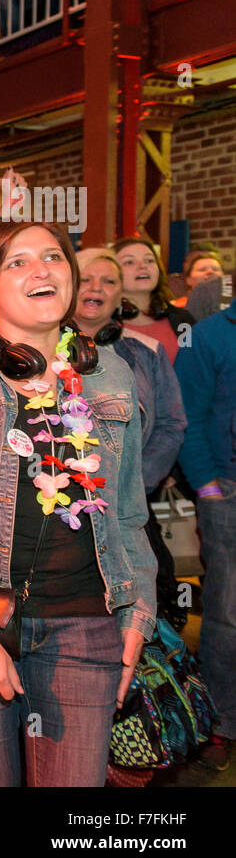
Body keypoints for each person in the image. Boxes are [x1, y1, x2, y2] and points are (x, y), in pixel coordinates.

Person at [0, 222, 156, 786]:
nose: (41, 270)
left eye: (53, 258)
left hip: (87, 621)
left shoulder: (112, 373)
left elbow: (132, 511)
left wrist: (139, 610)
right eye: (16, 262)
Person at [74, 249, 189, 631]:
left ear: (119, 296)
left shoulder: (145, 352)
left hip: (127, 512)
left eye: (108, 282)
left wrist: (132, 483)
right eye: (87, 279)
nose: (97, 288)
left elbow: (172, 425)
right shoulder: (35, 351)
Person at [174, 290, 236, 771]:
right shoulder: (209, 335)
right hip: (228, 493)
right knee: (226, 613)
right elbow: (187, 417)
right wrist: (207, 486)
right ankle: (225, 719)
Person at [113, 236, 194, 362]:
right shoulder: (102, 323)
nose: (142, 266)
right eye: (129, 262)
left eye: (149, 260)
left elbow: (195, 366)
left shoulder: (182, 320)